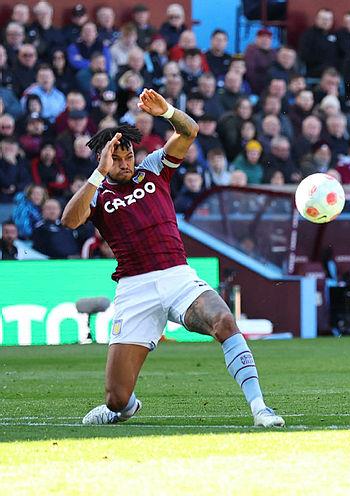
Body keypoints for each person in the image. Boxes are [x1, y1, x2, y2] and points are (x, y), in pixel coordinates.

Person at [60, 88, 284, 428]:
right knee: (116, 398)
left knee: (223, 321)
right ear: (104, 160)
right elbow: (69, 220)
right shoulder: (98, 192)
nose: (125, 163)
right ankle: (126, 407)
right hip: (135, 290)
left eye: (128, 156)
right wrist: (99, 173)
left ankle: (260, 409)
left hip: (177, 277)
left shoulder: (153, 169)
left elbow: (189, 131)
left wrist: (167, 111)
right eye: (116, 159)